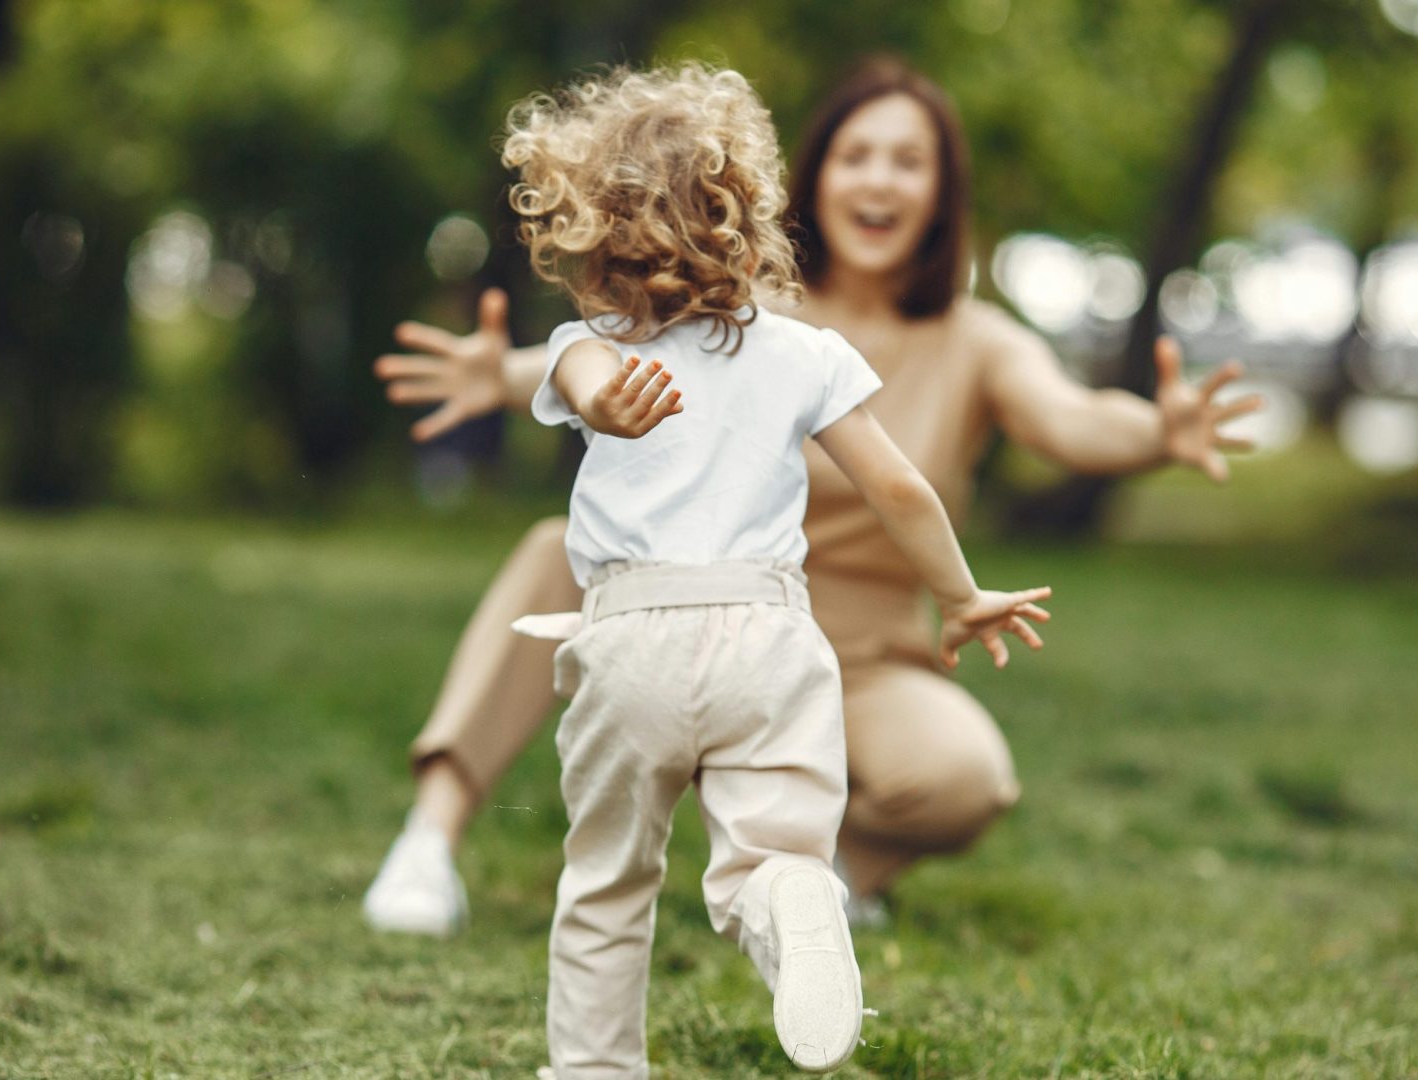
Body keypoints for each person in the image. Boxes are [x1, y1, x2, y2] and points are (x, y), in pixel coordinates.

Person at [365, 56, 1259, 939]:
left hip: (855, 665)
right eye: (857, 154)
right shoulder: (743, 307)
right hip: (682, 611)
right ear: (815, 176)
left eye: (909, 162)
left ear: (943, 194)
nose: (880, 181)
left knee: (965, 777)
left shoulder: (977, 342)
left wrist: (1154, 434)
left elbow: (1070, 417)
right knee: (550, 550)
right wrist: (505, 374)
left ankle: (829, 877)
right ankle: (428, 839)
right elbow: (614, 347)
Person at [490, 63, 1052, 1077]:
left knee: (610, 881)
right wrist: (961, 596)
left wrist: (607, 403)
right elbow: (903, 490)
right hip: (774, 644)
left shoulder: (590, 348)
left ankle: (594, 1068)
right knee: (770, 857)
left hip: (634, 643)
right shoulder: (806, 353)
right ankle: (792, 905)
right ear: (753, 217)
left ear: (595, 233)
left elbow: (580, 380)